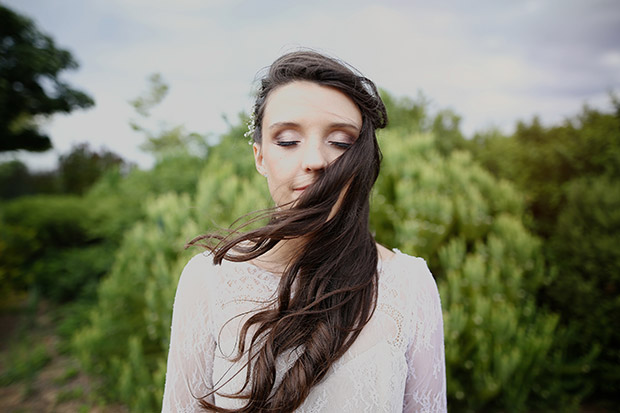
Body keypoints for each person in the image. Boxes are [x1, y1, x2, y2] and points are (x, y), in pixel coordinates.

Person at [162, 50, 447, 412]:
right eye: (287, 140)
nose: (315, 161)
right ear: (260, 157)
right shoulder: (209, 280)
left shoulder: (408, 284)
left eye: (341, 142)